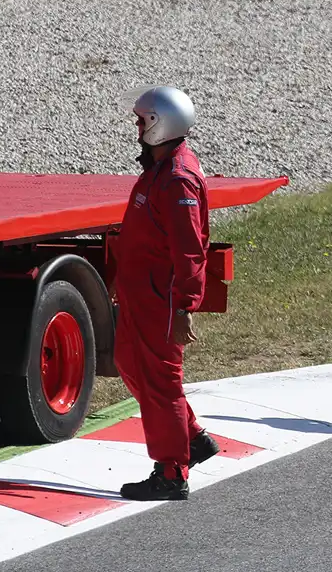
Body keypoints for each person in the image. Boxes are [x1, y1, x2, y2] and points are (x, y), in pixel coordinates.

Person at [112, 85, 221, 500]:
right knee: (128, 363)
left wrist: (184, 306)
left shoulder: (177, 180)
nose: (137, 128)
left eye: (142, 122)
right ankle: (191, 437)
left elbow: (191, 249)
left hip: (161, 299)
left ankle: (172, 473)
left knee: (161, 383)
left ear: (160, 125)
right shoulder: (160, 167)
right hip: (142, 294)